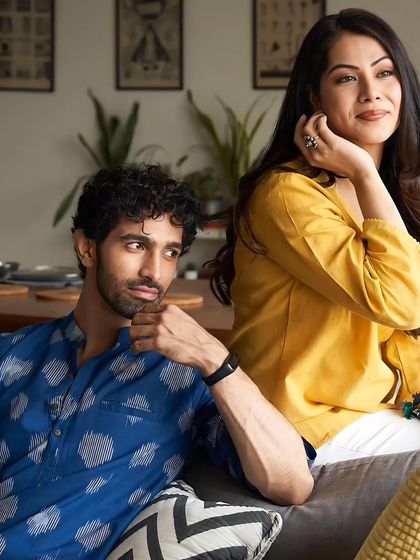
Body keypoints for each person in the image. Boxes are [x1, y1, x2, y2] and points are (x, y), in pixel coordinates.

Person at [0, 164, 314, 559]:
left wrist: (214, 357)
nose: (154, 271)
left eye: (170, 252)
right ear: (87, 248)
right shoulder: (12, 353)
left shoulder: (183, 377)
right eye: (136, 245)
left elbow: (292, 483)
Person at [210, 8, 420, 465]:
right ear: (315, 97)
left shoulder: (398, 191)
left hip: (376, 409)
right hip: (300, 424)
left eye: (384, 72)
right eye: (347, 78)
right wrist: (363, 170)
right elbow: (403, 303)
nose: (371, 91)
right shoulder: (287, 194)